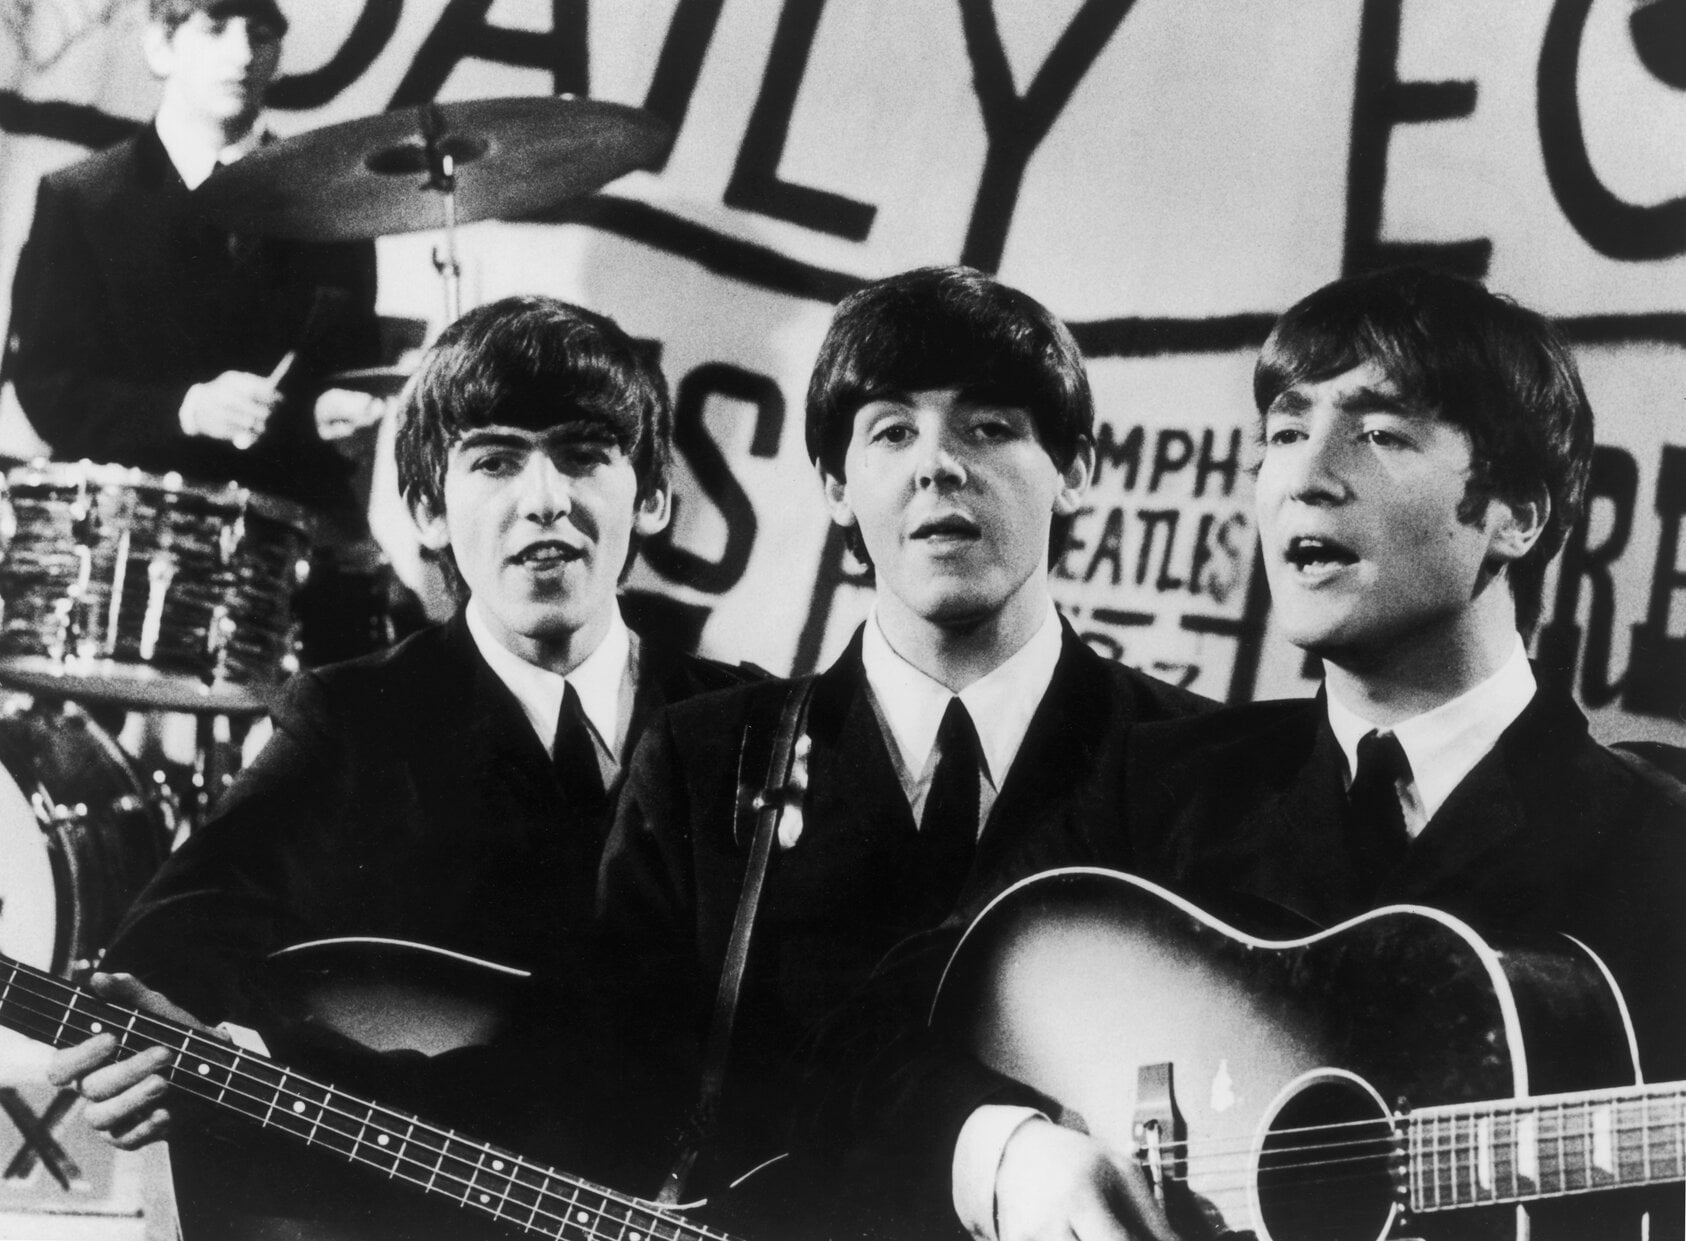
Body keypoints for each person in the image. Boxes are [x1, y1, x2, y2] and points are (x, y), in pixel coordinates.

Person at [822, 266, 1686, 1241]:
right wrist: (1012, 1154)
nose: (1307, 477)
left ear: (1517, 512)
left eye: (1380, 432)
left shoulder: (1657, 849)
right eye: (1282, 433)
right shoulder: (1159, 784)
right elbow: (869, 1033)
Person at [45, 295, 755, 1240]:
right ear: (427, 509)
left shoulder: (748, 721)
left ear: (653, 495)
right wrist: (162, 1038)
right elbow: (174, 942)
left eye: (585, 455)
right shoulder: (354, 716)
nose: (545, 498)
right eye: (494, 461)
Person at [594, 265, 1210, 1228]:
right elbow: (595, 1087)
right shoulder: (702, 759)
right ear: (836, 487)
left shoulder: (1201, 760)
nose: (938, 465)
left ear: (1075, 470)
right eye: (890, 431)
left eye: (989, 427)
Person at [4, 0, 383, 531]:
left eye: (260, 34)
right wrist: (185, 410)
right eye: (215, 29)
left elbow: (351, 369)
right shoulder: (81, 200)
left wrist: (330, 414)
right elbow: (48, 385)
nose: (242, 55)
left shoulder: (332, 206)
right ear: (161, 46)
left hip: (281, 525)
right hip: (129, 523)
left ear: (278, 57)